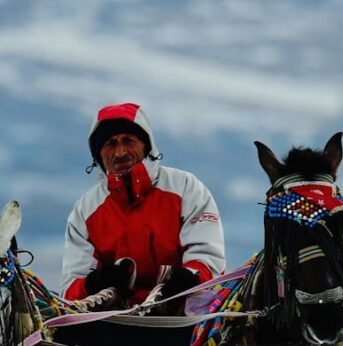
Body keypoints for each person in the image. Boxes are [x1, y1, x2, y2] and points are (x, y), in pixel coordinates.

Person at [61, 102, 225, 308]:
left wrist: (187, 280)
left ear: (146, 145)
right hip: (114, 324)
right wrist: (96, 282)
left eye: (128, 141)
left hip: (184, 318)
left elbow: (208, 259)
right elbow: (70, 289)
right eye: (110, 144)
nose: (120, 152)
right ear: (98, 156)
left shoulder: (186, 188)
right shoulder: (85, 210)